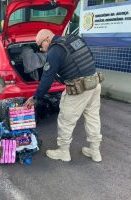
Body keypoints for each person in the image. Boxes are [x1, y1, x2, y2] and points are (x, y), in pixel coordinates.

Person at [24, 29, 104, 163]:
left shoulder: (55, 51)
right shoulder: (74, 39)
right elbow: (89, 56)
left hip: (79, 89)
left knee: (66, 120)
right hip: (94, 83)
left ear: (47, 39)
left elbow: (47, 79)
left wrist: (35, 97)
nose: (41, 49)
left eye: (40, 45)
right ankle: (95, 151)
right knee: (92, 117)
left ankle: (63, 151)